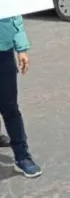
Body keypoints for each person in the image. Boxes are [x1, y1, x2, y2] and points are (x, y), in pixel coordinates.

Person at [0, 15, 42, 177]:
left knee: (9, 107)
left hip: (2, 52)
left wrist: (21, 49)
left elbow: (15, 17)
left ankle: (22, 157)